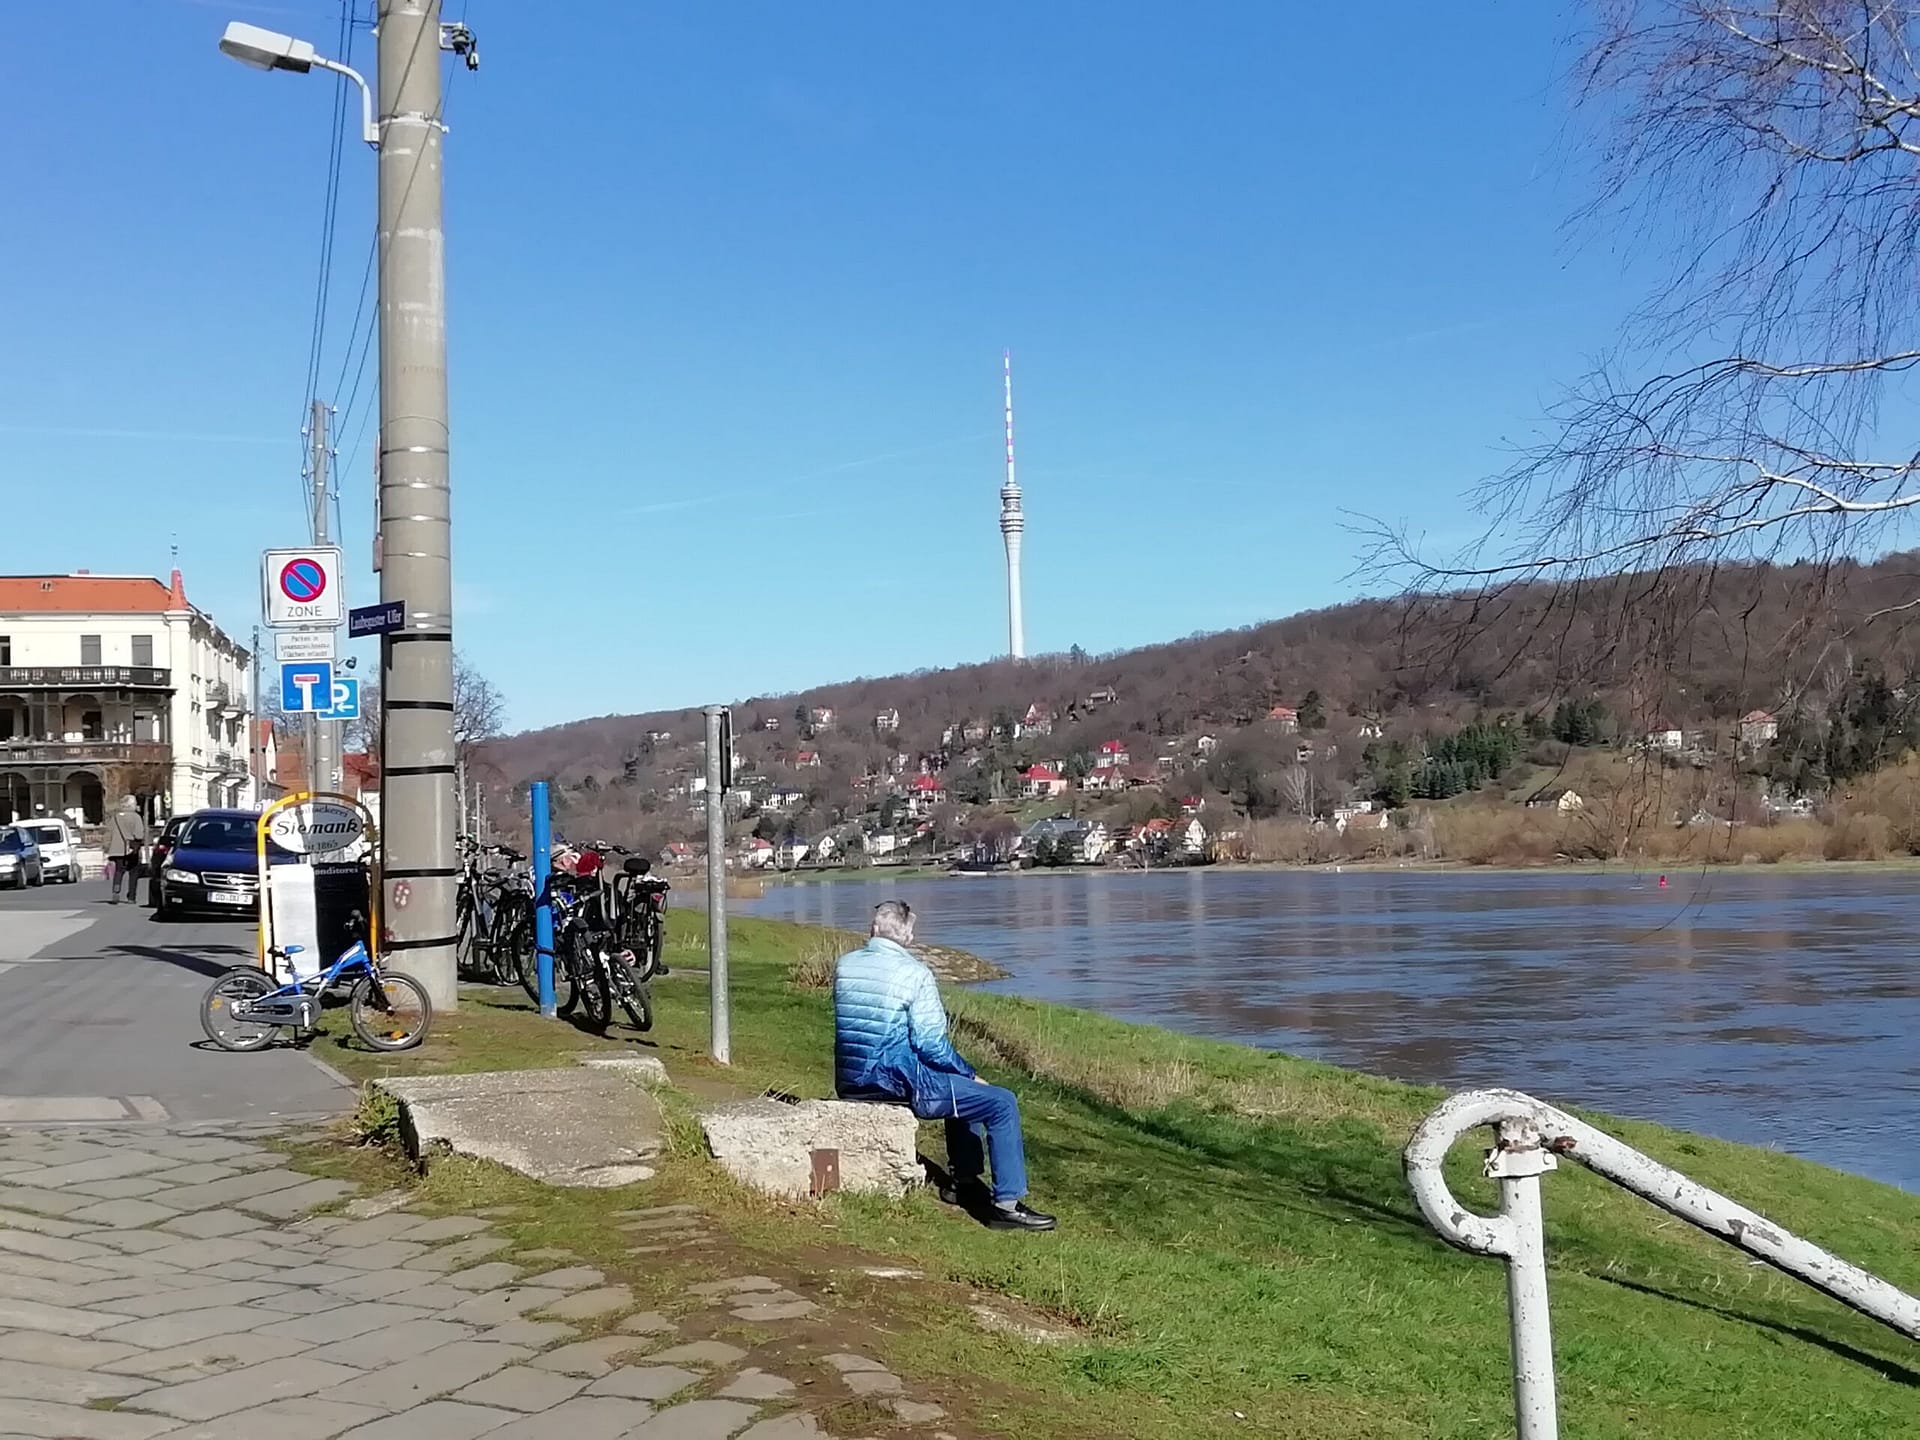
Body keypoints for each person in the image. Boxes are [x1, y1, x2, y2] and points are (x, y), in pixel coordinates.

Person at [833, 901, 1055, 1231]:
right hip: (894, 1081)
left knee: (957, 1086)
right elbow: (930, 1044)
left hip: (851, 1081)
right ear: (907, 936)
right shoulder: (915, 974)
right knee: (1001, 1102)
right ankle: (1007, 1206)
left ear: (873, 929)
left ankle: (964, 1183)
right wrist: (970, 1073)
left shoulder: (845, 965)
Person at [108, 797, 146, 904]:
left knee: (119, 871)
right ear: (131, 805)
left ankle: (116, 890)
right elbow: (139, 835)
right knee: (133, 872)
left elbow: (109, 832)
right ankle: (131, 897)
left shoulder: (115, 817)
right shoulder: (136, 817)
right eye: (135, 803)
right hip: (131, 849)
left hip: (117, 849)